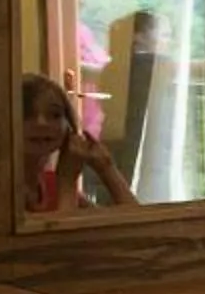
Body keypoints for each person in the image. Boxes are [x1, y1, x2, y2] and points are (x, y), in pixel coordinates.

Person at [19, 72, 136, 213]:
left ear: (68, 125)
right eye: (26, 114)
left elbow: (140, 224)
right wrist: (67, 182)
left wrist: (107, 168)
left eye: (55, 114)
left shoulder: (51, 185)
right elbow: (64, 228)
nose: (41, 123)